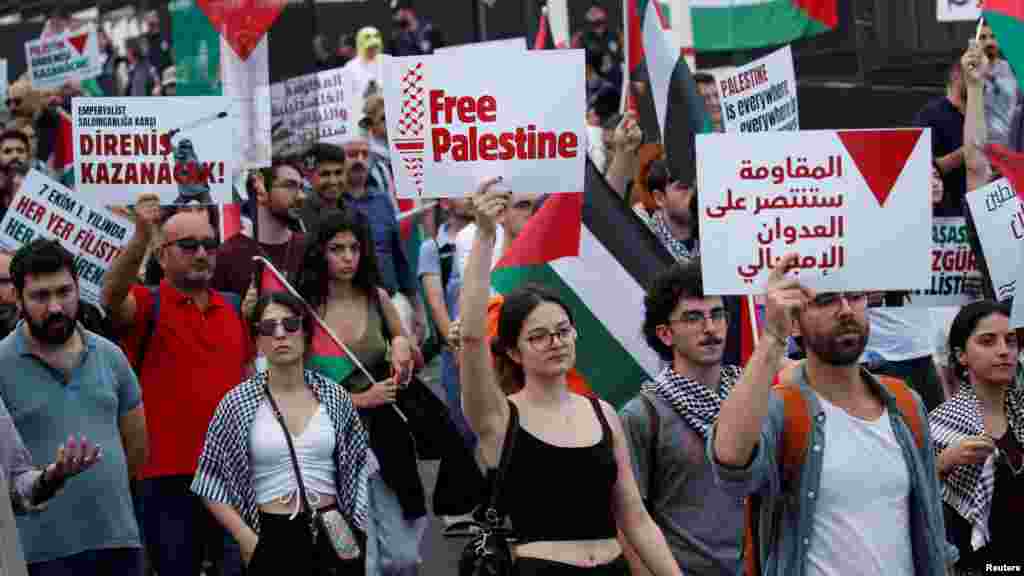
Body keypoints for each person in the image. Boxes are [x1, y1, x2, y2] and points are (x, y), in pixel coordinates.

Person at [459, 178, 682, 575]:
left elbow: (635, 519)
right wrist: (484, 235)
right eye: (539, 336)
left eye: (563, 331)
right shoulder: (499, 417)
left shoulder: (603, 415)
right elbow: (474, 337)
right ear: (513, 350)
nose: (555, 343)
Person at [710, 253, 956, 576]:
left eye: (854, 296)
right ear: (795, 320)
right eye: (826, 299)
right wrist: (772, 338)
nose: (845, 309)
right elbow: (729, 465)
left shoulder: (906, 405)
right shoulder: (781, 410)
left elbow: (932, 530)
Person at [103, 194, 252, 576]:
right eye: (188, 246)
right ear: (162, 255)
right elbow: (110, 297)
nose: (202, 253)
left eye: (209, 245)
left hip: (231, 475)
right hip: (164, 479)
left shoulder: (233, 307)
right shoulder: (146, 305)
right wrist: (140, 235)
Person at [192, 291, 376, 575]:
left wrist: (357, 527)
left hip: (335, 530)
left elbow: (359, 468)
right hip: (271, 533)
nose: (280, 334)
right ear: (258, 341)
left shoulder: (336, 396)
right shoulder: (237, 403)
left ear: (305, 333)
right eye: (268, 327)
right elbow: (209, 480)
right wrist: (246, 538)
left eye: (290, 325)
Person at [0, 239, 145, 575]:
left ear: (79, 289)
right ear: (18, 300)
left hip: (117, 544)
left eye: (64, 292)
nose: (55, 307)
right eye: (40, 296)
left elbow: (136, 452)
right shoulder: (2, 364)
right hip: (36, 554)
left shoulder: (110, 356)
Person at [297, 208, 424, 575]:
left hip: (386, 439)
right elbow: (291, 386)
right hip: (328, 447)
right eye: (337, 249)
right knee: (351, 556)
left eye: (354, 248)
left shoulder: (377, 297)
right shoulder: (303, 310)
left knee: (402, 556)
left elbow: (401, 338)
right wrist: (357, 399)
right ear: (320, 252)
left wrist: (401, 345)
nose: (348, 257)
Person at [620, 260, 743, 575]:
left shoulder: (753, 399)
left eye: (717, 314)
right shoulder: (642, 415)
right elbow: (630, 521)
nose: (710, 328)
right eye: (693, 318)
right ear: (665, 333)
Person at [930, 301, 1022, 573]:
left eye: (1011, 341)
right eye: (988, 341)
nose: (1004, 351)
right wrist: (942, 464)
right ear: (961, 356)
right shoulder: (938, 426)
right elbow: (912, 503)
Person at [419, 197, 473, 444]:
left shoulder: (494, 237)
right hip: (457, 355)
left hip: (496, 347)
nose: (471, 195)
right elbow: (436, 303)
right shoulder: (432, 248)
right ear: (444, 202)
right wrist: (457, 350)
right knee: (463, 429)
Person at [216, 161, 306, 301]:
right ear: (260, 190)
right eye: (290, 186)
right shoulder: (228, 254)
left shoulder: (308, 247)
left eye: (301, 188)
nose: (301, 196)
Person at [914, 58, 967, 216]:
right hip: (947, 212)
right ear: (957, 76)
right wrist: (967, 151)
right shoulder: (930, 115)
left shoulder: (985, 112)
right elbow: (923, 168)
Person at [645, 159, 699, 262]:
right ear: (659, 198)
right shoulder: (643, 241)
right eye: (684, 187)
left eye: (695, 187)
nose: (693, 194)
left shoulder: (712, 236)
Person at [977, 19, 1018, 149]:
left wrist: (988, 76)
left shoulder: (1008, 67)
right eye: (983, 38)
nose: (989, 42)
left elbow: (1009, 94)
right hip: (979, 143)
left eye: (993, 37)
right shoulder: (968, 69)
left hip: (1006, 142)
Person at [299, 144, 348, 239]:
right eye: (325, 174)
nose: (333, 181)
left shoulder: (355, 215)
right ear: (309, 177)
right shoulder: (299, 217)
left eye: (338, 173)